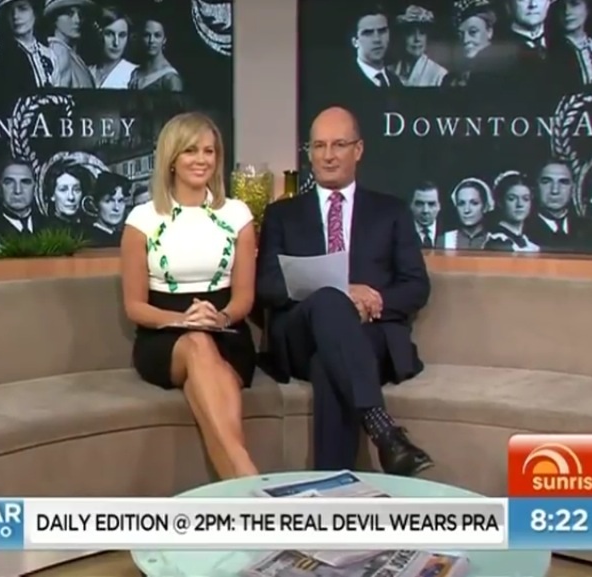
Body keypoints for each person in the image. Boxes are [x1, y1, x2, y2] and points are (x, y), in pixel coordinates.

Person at [255, 106, 432, 476]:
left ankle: (332, 490)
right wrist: (342, 293)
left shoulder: (391, 211)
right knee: (328, 299)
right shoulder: (282, 214)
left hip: (370, 335)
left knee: (328, 364)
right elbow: (267, 285)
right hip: (301, 334)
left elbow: (416, 286)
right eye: (318, 146)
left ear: (359, 149)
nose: (328, 155)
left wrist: (373, 301)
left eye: (338, 144)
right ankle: (383, 429)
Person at [120, 112, 259, 479]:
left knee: (207, 381)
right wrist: (183, 321)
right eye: (191, 151)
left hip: (228, 333)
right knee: (197, 343)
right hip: (164, 337)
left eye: (209, 151)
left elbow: (244, 298)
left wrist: (221, 317)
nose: (202, 160)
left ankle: (243, 490)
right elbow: (135, 306)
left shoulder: (237, 215)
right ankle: (250, 478)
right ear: (172, 158)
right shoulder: (142, 219)